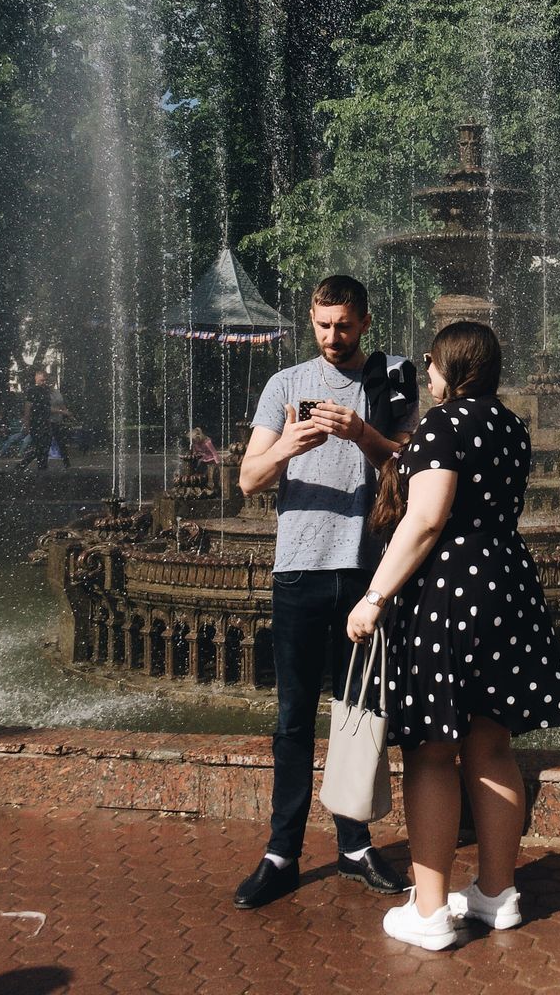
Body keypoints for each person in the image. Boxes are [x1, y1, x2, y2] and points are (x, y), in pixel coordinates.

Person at [345, 321, 560, 950]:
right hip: (506, 586)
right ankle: (498, 894)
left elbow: (425, 519)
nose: (424, 369)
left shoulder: (444, 425)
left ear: (452, 365)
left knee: (429, 750)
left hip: (451, 594)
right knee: (492, 744)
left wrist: (374, 596)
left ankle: (429, 911)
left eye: (430, 360)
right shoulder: (511, 426)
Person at [232, 275, 418, 911]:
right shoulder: (285, 385)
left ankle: (355, 844)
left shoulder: (393, 379)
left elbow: (417, 466)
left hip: (367, 576)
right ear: (310, 322)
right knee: (292, 720)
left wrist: (362, 433)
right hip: (300, 571)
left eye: (343, 325)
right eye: (322, 325)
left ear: (365, 322)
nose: (332, 337)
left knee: (359, 712)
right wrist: (288, 445)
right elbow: (248, 481)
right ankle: (281, 852)